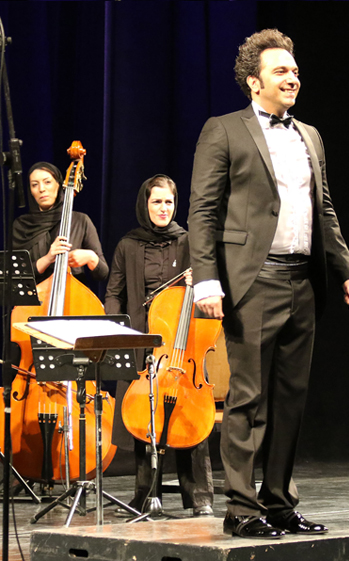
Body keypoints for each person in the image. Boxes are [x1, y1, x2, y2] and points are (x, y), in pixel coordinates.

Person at [187, 29, 349, 539]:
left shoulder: (310, 135)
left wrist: (346, 270)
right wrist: (207, 283)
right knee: (247, 398)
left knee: (291, 399)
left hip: (303, 281)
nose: (293, 78)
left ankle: (280, 502)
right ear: (253, 81)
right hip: (253, 281)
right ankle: (241, 508)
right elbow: (202, 212)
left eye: (295, 71)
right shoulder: (224, 130)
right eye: (281, 71)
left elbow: (323, 209)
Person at [105, 174, 214, 517]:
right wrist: (115, 329)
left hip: (182, 345)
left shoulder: (190, 241)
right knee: (143, 417)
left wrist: (202, 279)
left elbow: (212, 283)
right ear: (145, 204)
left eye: (169, 202)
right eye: (156, 202)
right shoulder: (128, 245)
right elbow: (114, 292)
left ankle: (199, 496)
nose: (163, 208)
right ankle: (145, 495)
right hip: (141, 339)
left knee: (189, 415)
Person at [12, 161, 108, 284]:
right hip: (35, 295)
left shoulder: (81, 220)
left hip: (73, 293)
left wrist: (91, 257)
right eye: (35, 185)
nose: (42, 189)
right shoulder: (21, 225)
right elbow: (15, 274)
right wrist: (47, 259)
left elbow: (103, 274)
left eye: (47, 182)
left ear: (58, 185)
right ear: (30, 191)